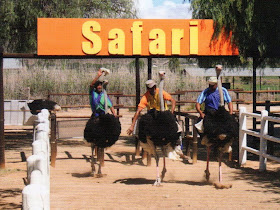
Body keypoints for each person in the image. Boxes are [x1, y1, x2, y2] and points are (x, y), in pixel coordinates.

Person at [126, 79, 190, 161]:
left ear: (155, 87)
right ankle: (146, 151)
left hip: (164, 115)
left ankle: (179, 150)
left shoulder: (161, 92)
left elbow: (173, 101)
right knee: (143, 131)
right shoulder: (146, 96)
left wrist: (171, 112)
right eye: (149, 88)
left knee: (178, 129)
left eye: (152, 88)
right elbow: (138, 111)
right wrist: (132, 126)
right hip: (153, 117)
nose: (151, 89)